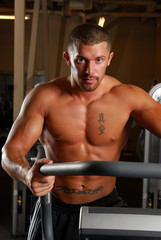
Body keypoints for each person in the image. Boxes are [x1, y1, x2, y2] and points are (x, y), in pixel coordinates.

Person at [1, 23, 161, 240]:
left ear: (109, 59)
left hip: (106, 206)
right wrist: (27, 175)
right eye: (81, 60)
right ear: (68, 59)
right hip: (54, 207)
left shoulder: (128, 97)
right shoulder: (44, 97)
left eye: (98, 60)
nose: (90, 71)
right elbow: (10, 151)